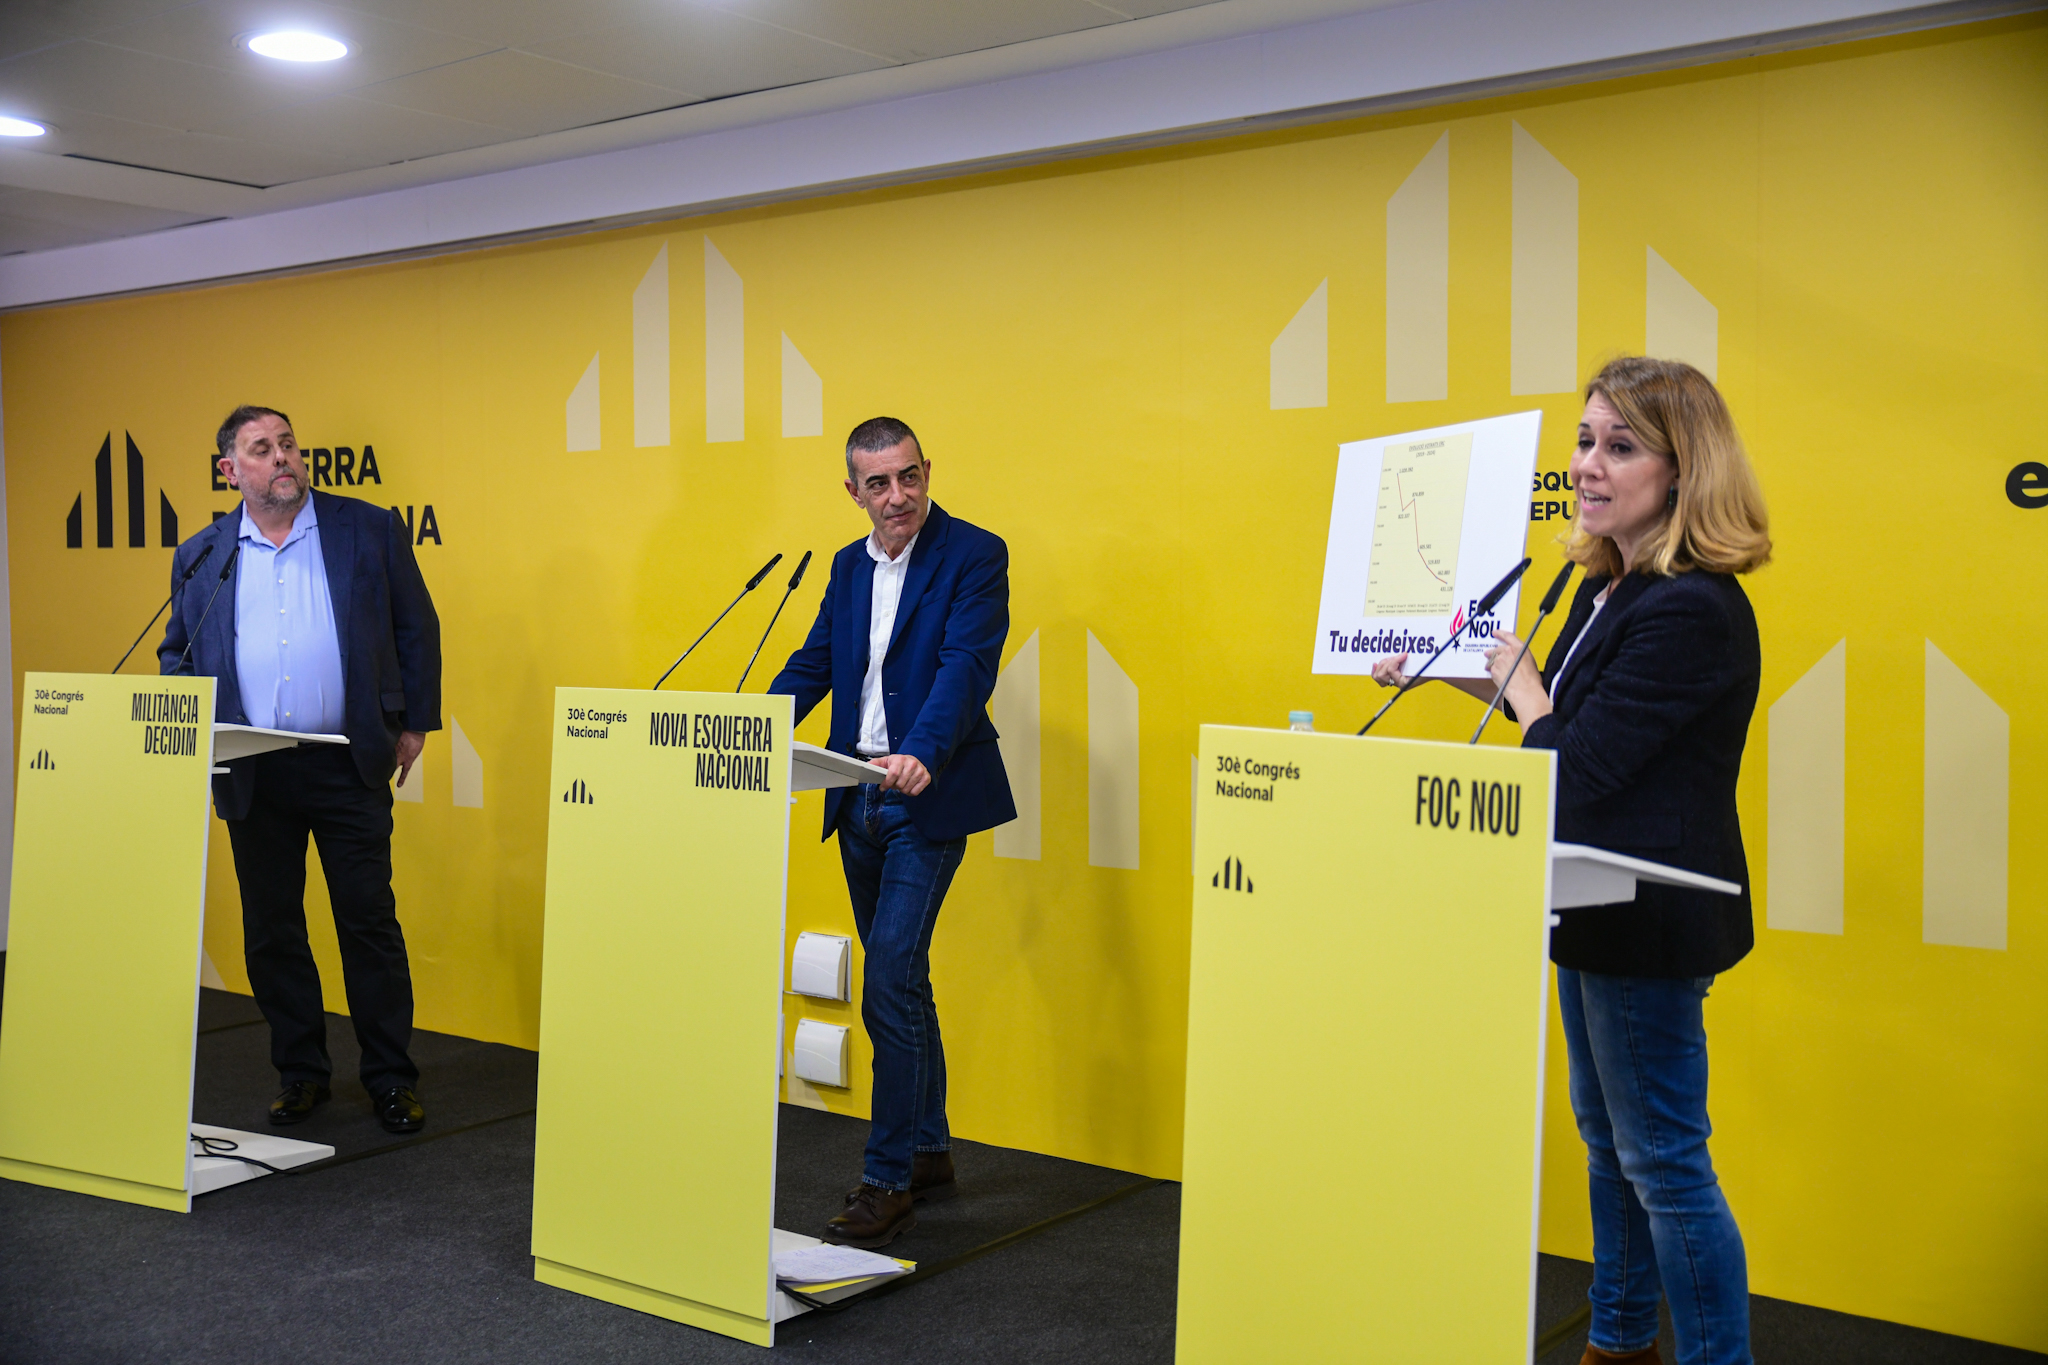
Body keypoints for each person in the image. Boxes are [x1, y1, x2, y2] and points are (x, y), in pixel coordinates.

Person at [1373, 357, 1771, 1365]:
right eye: (1584, 440)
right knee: (1611, 1148)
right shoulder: (1614, 585)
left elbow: (1575, 769)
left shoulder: (1690, 606)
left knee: (1662, 1164)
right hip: (1585, 902)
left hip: (1644, 912)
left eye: (1618, 446)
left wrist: (1518, 683)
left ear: (1682, 471)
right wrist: (1459, 679)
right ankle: (1618, 1339)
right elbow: (1569, 716)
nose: (1588, 466)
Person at [161, 405, 441, 1136]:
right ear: (231, 471)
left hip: (346, 761)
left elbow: (416, 624)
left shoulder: (367, 528)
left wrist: (413, 721)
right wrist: (188, 724)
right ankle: (302, 1073)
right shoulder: (201, 553)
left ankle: (388, 1076)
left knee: (367, 921)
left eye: (288, 443)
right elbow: (179, 651)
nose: (282, 456)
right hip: (252, 768)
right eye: (262, 448)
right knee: (273, 930)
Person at [769, 416, 1014, 1249]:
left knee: (887, 986)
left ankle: (887, 1180)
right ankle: (930, 1147)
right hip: (855, 796)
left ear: (926, 471)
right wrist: (743, 728)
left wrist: (923, 750)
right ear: (854, 492)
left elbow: (965, 666)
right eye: (878, 483)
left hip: (925, 796)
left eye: (909, 476)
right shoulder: (845, 566)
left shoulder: (976, 554)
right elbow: (815, 664)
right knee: (905, 983)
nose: (897, 495)